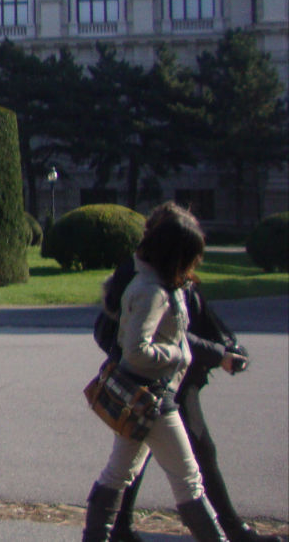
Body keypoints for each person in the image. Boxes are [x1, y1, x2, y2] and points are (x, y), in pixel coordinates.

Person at [107, 207, 272, 542]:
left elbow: (197, 317)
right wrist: (200, 354)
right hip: (154, 384)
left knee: (126, 469)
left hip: (165, 382)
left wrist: (223, 346)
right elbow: (151, 341)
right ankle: (228, 531)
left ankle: (115, 529)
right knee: (188, 467)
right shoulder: (150, 283)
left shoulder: (163, 275)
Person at [82, 202, 228, 542]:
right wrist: (177, 354)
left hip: (143, 396)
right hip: (153, 397)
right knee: (189, 481)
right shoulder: (151, 291)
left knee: (117, 474)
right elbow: (136, 349)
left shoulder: (148, 280)